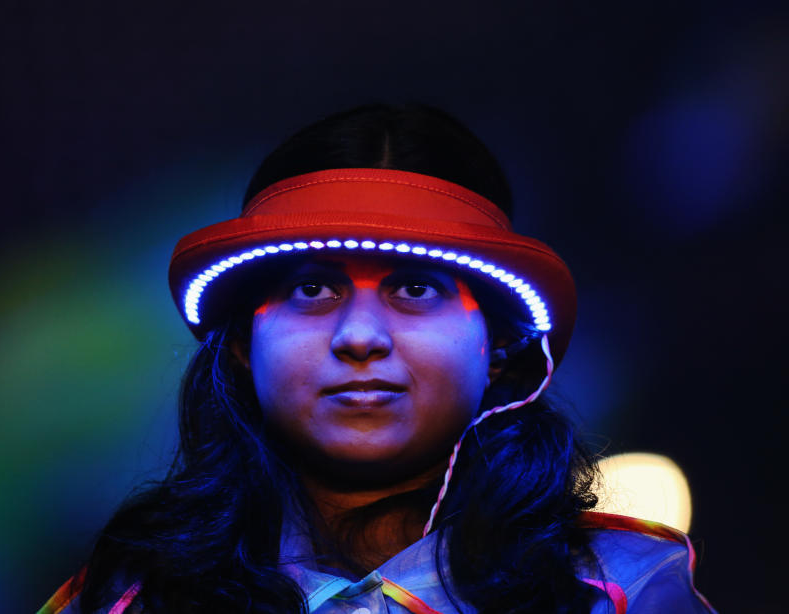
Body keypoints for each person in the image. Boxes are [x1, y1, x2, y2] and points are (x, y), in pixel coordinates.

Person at [38, 104, 716, 614]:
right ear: (243, 342)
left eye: (415, 288)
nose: (360, 335)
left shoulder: (618, 590)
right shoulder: (130, 598)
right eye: (312, 288)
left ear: (501, 347)